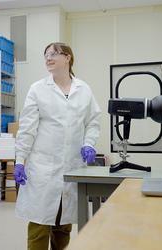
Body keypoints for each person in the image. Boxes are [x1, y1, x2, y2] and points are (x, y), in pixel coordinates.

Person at [13, 42, 101, 249]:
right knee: (39, 225)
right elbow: (27, 129)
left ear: (68, 57)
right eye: (45, 55)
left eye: (53, 54)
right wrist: (19, 161)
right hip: (43, 168)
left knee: (64, 226)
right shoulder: (38, 89)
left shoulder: (83, 89)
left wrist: (89, 144)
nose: (48, 58)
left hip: (72, 166)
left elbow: (93, 121)